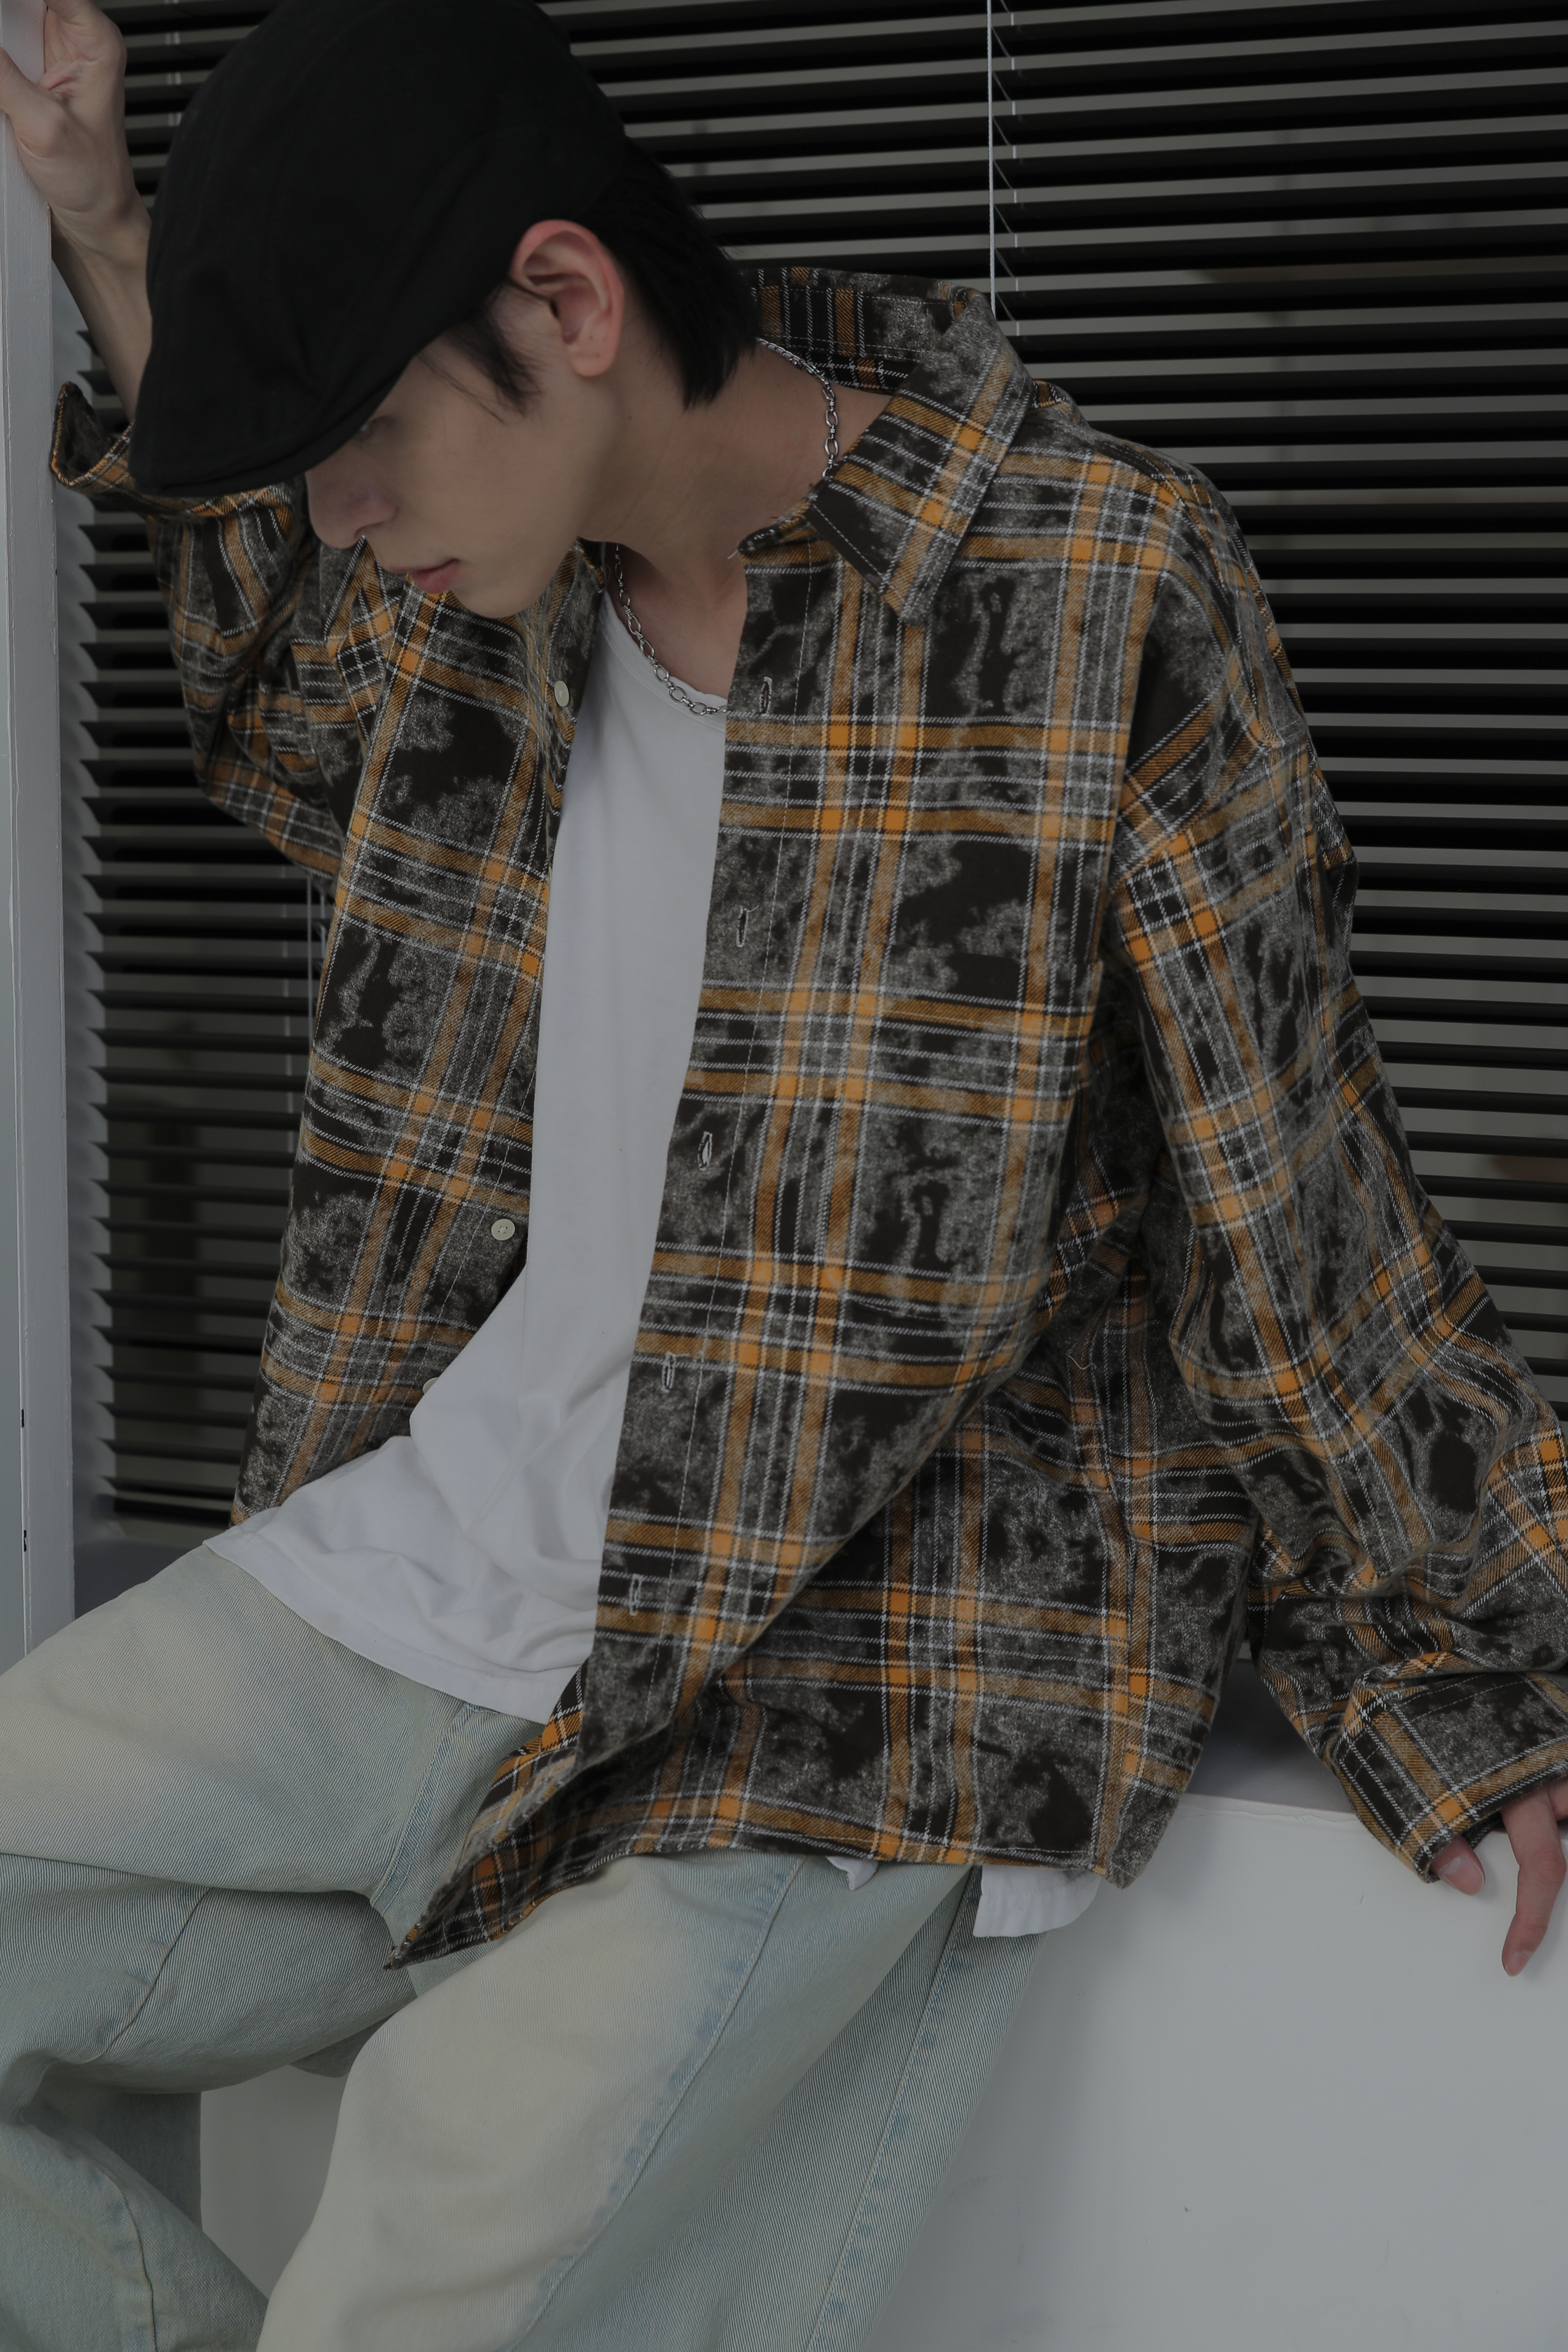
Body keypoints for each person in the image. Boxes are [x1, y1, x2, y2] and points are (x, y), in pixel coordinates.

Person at [1, 0, 1565, 2346]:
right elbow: (279, 698)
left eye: (365, 446)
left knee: (420, 2250)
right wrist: (108, 233)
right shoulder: (480, 606)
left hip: (865, 1634)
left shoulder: (1081, 587)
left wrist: (1471, 1671)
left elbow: (1295, 1201)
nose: (339, 525)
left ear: (567, 299)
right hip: (450, 1553)